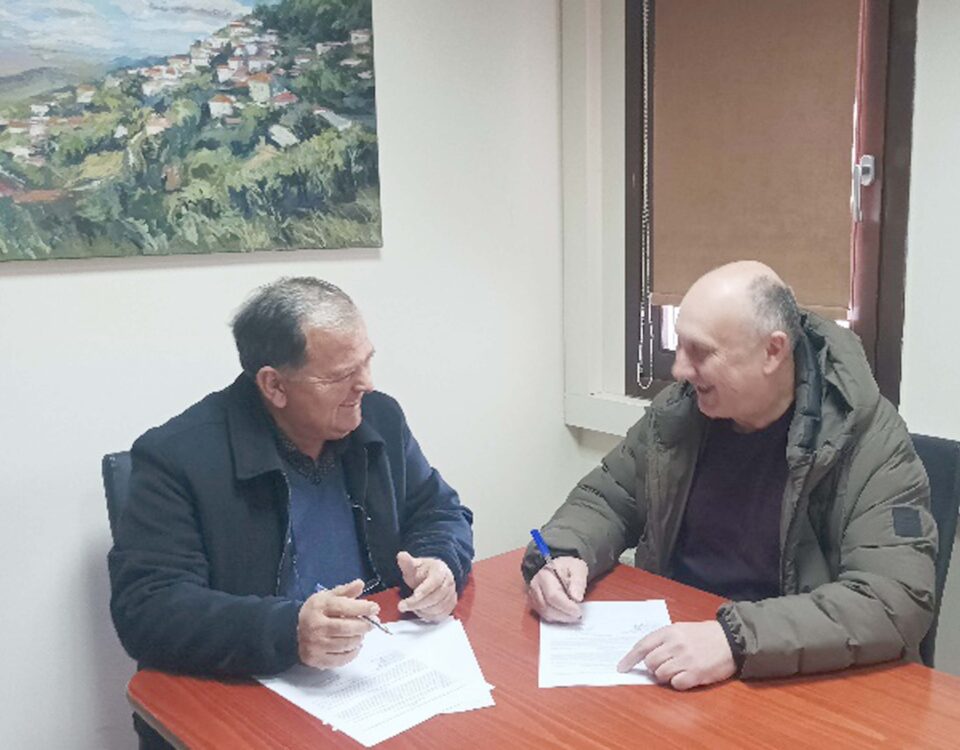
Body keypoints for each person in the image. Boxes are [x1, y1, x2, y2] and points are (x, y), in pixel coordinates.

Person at [523, 260, 936, 690]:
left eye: (700, 352)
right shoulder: (680, 412)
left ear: (772, 351)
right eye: (678, 346)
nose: (679, 370)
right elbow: (606, 499)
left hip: (792, 671)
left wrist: (735, 640)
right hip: (678, 651)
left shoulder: (867, 439)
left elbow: (894, 598)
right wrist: (562, 553)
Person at [109, 277, 474, 744]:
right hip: (250, 698)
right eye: (341, 375)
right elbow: (148, 609)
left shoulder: (379, 417)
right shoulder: (177, 457)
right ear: (274, 385)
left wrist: (439, 562)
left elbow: (439, 510)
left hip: (378, 678)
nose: (365, 385)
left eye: (367, 362)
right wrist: (288, 631)